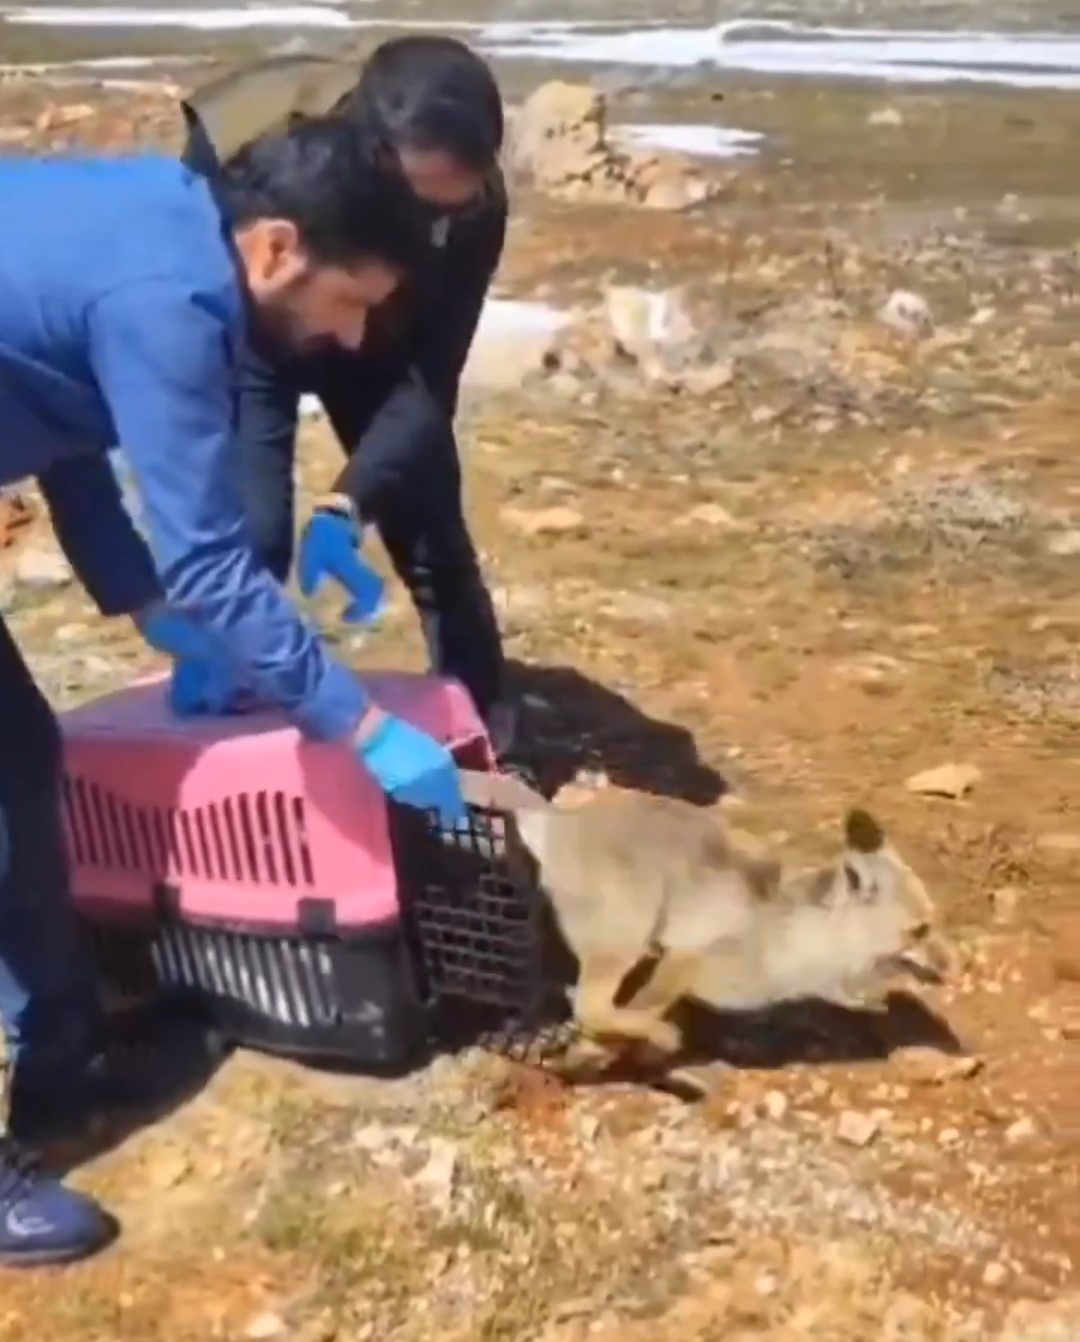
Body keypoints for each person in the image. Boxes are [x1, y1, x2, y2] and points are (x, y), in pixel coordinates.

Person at [0, 118, 466, 1266]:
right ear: (275, 248)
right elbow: (213, 556)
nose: (347, 332)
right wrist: (356, 724)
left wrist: (145, 608)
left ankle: (60, 1061)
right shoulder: (177, 301)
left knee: (20, 765)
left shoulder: (166, 210)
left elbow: (56, 410)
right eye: (349, 300)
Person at [178, 36, 515, 751]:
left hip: (387, 351)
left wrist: (350, 498)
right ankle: (233, 753)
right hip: (260, 337)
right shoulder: (254, 141)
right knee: (252, 536)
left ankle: (486, 742)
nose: (436, 227)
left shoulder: (474, 203)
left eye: (453, 209)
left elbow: (431, 379)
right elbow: (185, 291)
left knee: (430, 535)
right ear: (373, 162)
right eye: (424, 206)